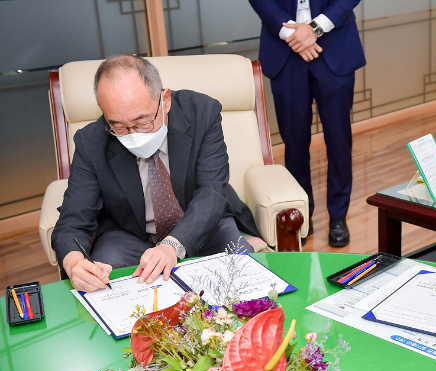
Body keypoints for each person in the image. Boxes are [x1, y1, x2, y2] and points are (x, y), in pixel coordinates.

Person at [52, 55, 264, 293]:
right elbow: (72, 219)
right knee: (103, 291)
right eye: (118, 126)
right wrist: (73, 263)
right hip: (129, 235)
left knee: (246, 283)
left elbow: (212, 191)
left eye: (143, 122)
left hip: (201, 223)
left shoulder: (201, 113)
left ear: (165, 100)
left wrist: (172, 246)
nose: (132, 134)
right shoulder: (91, 141)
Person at [249, 0, 366, 247]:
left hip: (334, 45)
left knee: (339, 141)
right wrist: (292, 34)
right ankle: (301, 215)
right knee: (294, 143)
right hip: (284, 49)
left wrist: (315, 28)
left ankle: (338, 217)